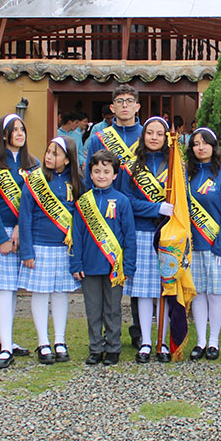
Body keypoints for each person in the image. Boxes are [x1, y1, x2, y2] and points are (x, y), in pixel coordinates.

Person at [85, 85, 145, 348]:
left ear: (137, 106)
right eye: (119, 101)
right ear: (112, 107)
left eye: (129, 101)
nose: (124, 105)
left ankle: (138, 330)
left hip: (138, 213)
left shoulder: (146, 135)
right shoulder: (100, 136)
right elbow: (90, 172)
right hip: (105, 216)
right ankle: (102, 339)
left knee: (135, 278)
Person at [20, 137, 84, 365]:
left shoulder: (76, 182)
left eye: (55, 154)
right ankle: (43, 342)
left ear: (67, 160)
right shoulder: (35, 180)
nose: (48, 157)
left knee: (60, 294)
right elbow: (25, 215)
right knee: (40, 294)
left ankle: (60, 340)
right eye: (48, 151)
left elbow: (81, 216)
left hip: (64, 248)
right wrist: (27, 251)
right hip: (39, 246)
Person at [71, 149, 136, 366]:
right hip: (89, 266)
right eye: (97, 171)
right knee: (93, 309)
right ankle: (95, 348)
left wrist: (128, 266)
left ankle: (113, 347)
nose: (101, 175)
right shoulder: (83, 202)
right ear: (90, 173)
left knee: (113, 309)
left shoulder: (122, 201)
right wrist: (76, 263)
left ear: (115, 175)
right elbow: (77, 235)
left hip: (114, 267)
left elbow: (129, 237)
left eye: (106, 171)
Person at [0, 113, 38, 368]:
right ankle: (5, 347)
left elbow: (36, 202)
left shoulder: (34, 164)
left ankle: (6, 338)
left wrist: (19, 227)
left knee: (15, 288)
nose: (19, 134)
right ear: (3, 134)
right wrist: (1, 238)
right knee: (3, 288)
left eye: (22, 129)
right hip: (1, 235)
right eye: (14, 130)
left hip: (24, 232)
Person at [125, 116, 176, 362]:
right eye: (150, 133)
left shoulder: (175, 164)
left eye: (159, 133)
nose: (154, 137)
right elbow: (128, 202)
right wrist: (156, 208)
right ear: (143, 136)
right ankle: (146, 341)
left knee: (164, 291)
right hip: (141, 233)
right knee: (144, 291)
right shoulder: (132, 167)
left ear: (166, 137)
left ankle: (162, 341)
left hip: (167, 236)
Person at [186, 127, 221, 360]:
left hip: (216, 244)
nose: (200, 147)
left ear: (213, 146)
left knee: (215, 294)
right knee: (197, 293)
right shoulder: (185, 174)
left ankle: (214, 342)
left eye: (205, 143)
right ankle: (200, 341)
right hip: (192, 245)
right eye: (196, 143)